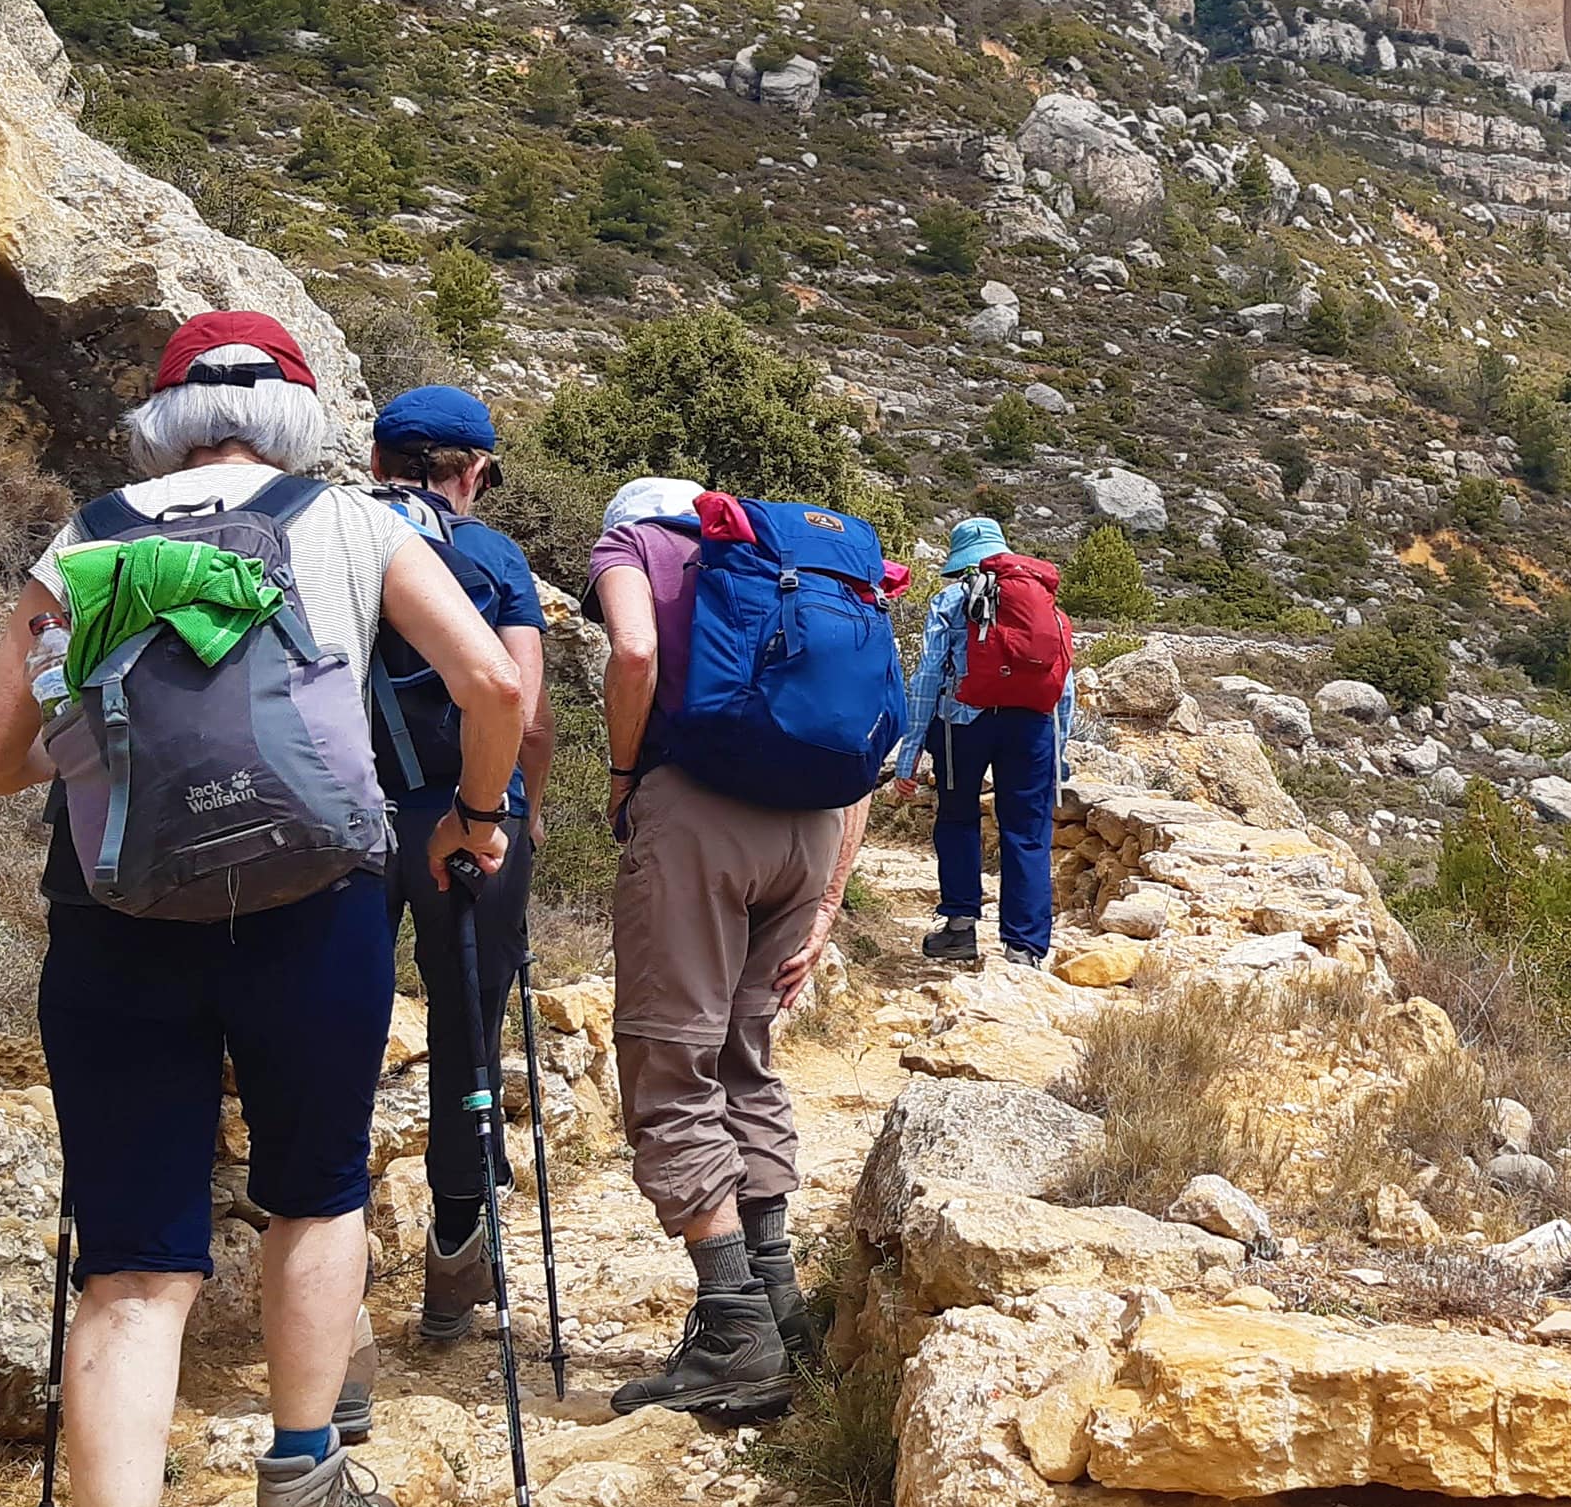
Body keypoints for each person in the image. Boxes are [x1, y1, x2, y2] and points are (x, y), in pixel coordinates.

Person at [0, 311, 523, 1507]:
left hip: (115, 920)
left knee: (135, 1269)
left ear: (159, 420)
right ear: (297, 414)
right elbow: (496, 687)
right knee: (315, 1193)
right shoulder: (344, 524)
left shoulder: (75, 547)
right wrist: (471, 815)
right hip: (313, 911)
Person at [588, 476, 868, 1418]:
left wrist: (624, 776)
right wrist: (829, 898)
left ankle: (731, 1326)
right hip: (811, 830)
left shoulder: (634, 549)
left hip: (701, 822)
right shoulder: (806, 575)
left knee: (671, 1058)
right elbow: (860, 743)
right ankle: (782, 1303)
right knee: (746, 1055)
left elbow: (632, 649)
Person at [361, 384, 552, 1349]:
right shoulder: (493, 556)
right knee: (467, 1033)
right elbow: (527, 710)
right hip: (470, 816)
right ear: (472, 471)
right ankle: (454, 1260)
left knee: (334, 1031)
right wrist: (523, 812)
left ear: (377, 462)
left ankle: (328, 1283)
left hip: (347, 817)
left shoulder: (334, 538)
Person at [891, 514, 1074, 969]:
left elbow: (929, 676)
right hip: (1031, 727)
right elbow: (1062, 685)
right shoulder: (1046, 605)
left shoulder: (951, 600)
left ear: (960, 560)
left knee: (957, 819)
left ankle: (959, 929)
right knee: (1028, 833)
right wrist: (1060, 753)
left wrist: (909, 752)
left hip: (961, 726)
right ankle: (1024, 948)